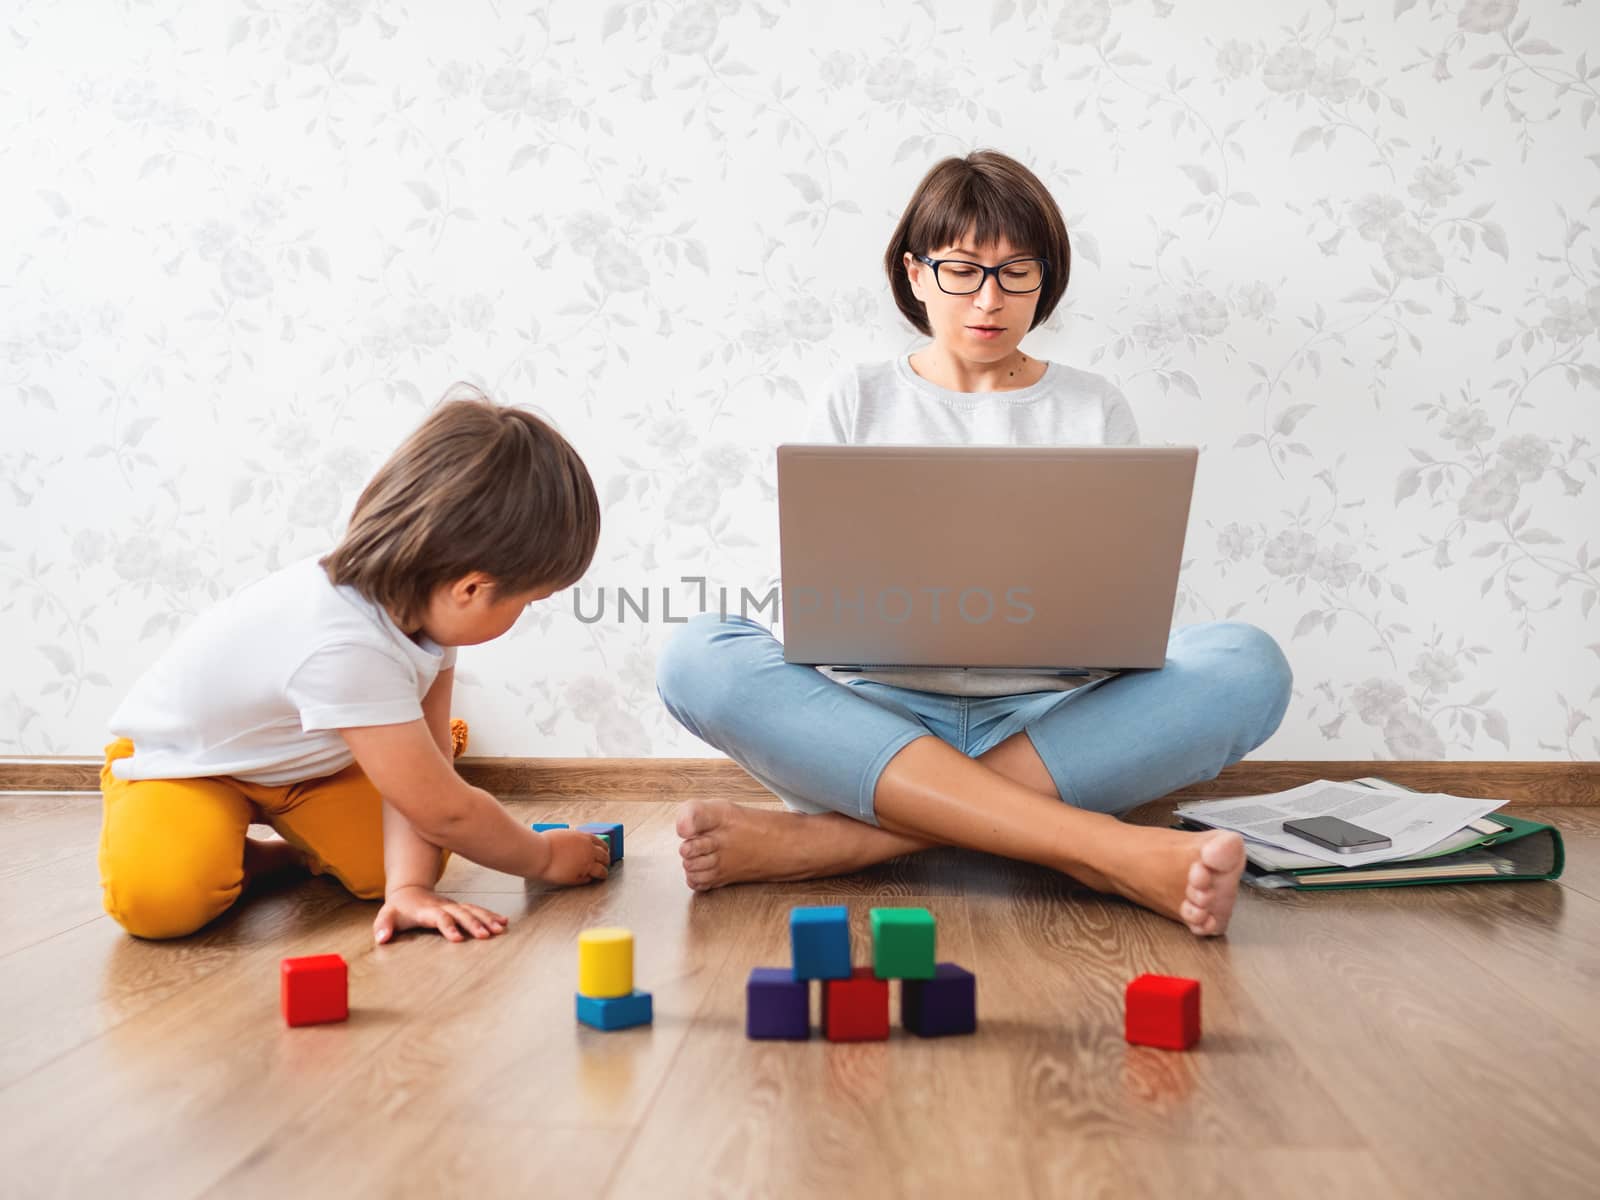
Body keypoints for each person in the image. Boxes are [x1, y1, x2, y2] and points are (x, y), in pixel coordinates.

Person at [656, 150, 1292, 936]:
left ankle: (834, 842)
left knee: (1249, 663)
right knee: (698, 654)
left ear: (1045, 280)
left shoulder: (1094, 407)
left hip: (1053, 720)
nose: (989, 299)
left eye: (1016, 272)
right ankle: (1103, 848)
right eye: (961, 270)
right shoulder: (858, 397)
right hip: (877, 721)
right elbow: (815, 598)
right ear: (914, 274)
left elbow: (1122, 604)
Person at [98, 388, 610, 943]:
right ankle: (231, 847)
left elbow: (433, 765)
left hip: (308, 766)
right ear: (471, 588)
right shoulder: (341, 640)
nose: (526, 613)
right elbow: (446, 811)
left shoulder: (426, 609)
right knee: (160, 899)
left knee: (384, 867)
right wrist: (543, 857)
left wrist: (407, 889)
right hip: (185, 765)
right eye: (529, 602)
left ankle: (283, 854)